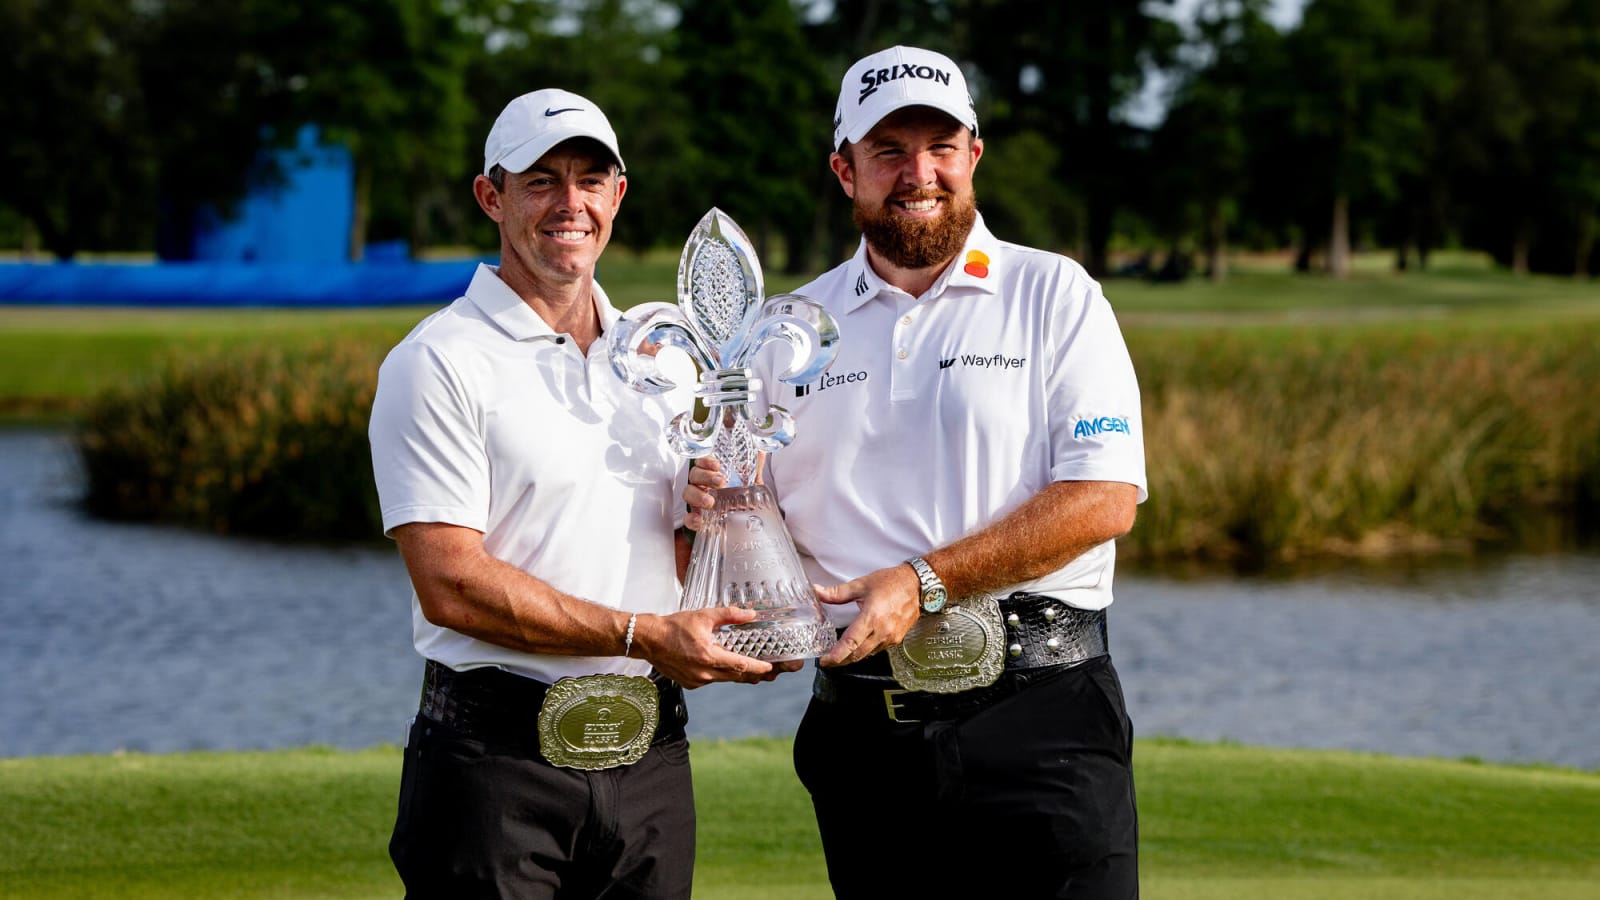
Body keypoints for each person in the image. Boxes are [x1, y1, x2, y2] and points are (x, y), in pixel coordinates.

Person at [686, 46, 1148, 899]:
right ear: (844, 169)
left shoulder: (1057, 295)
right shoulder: (789, 330)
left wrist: (923, 582)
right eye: (889, 151)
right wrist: (715, 517)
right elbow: (756, 528)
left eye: (939, 146)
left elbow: (1103, 498)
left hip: (1043, 719)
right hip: (866, 737)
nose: (918, 173)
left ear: (974, 154)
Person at [369, 88, 778, 899]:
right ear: (492, 196)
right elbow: (449, 582)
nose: (571, 204)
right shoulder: (440, 360)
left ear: (617, 196)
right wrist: (643, 634)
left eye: (591, 180)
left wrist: (721, 531)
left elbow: (672, 559)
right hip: (497, 770)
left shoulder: (666, 356)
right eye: (541, 181)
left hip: (653, 763)